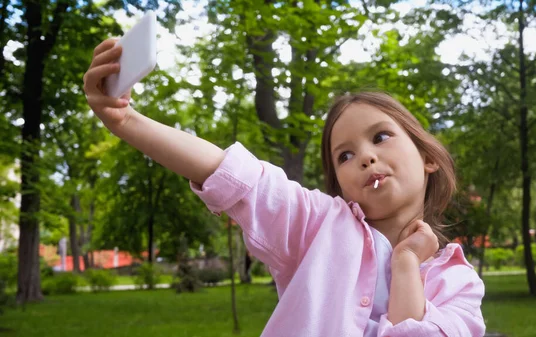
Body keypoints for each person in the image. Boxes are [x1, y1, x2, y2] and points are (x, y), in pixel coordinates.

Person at [83, 38, 485, 337]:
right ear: (340, 185)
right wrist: (125, 122)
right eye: (344, 156)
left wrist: (406, 264)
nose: (365, 157)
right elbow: (236, 176)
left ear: (429, 157)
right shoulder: (315, 226)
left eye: (380, 137)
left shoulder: (460, 284)